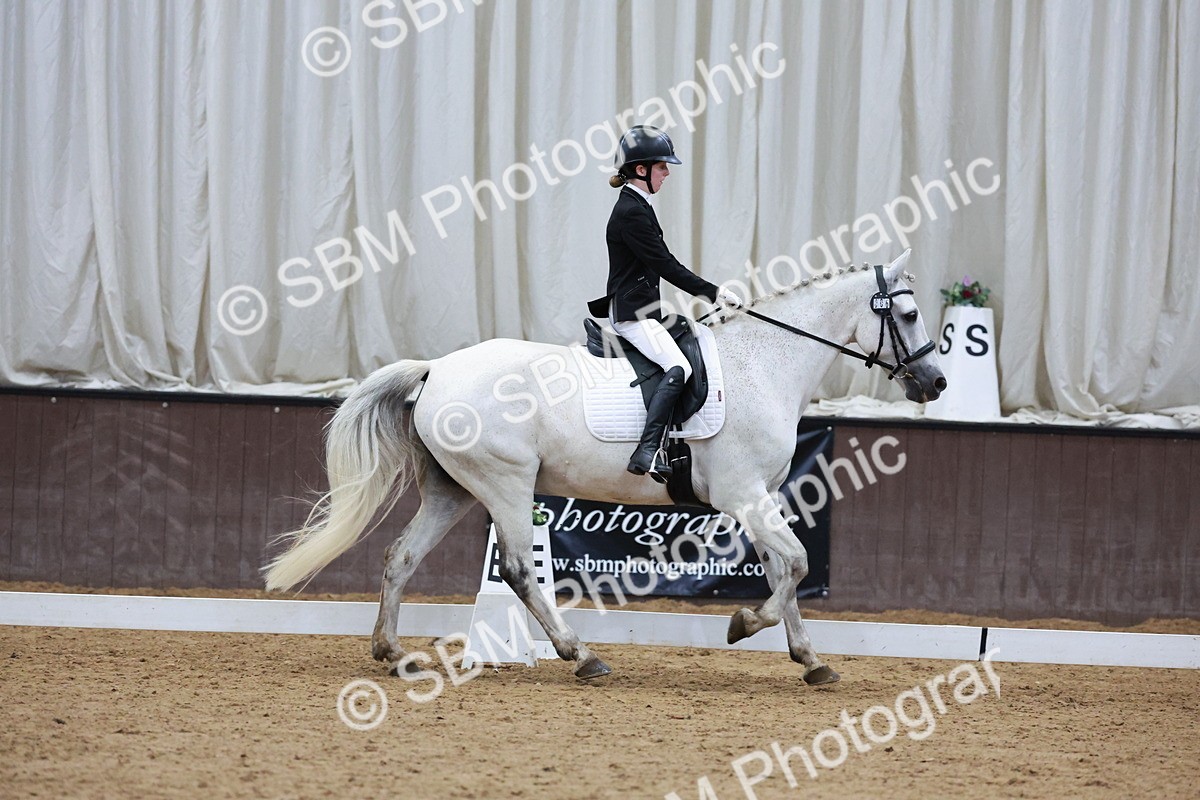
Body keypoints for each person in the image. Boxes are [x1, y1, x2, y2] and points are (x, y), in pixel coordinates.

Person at [587, 125, 742, 479]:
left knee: (697, 334)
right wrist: (713, 293)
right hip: (631, 315)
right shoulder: (631, 212)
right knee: (679, 368)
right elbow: (665, 264)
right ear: (641, 170)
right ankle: (648, 450)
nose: (668, 173)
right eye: (662, 167)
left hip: (645, 310)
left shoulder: (639, 203)